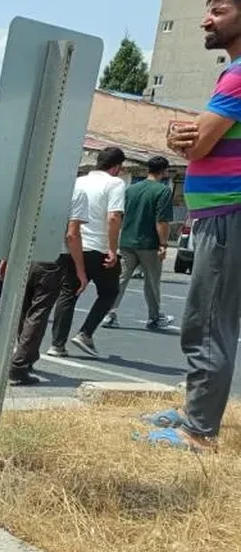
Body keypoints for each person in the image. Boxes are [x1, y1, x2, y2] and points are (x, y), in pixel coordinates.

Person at [158, 0, 241, 452]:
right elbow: (190, 138)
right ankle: (196, 413)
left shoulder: (238, 75)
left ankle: (198, 433)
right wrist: (181, 137)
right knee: (209, 318)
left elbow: (197, 144)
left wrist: (183, 139)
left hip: (227, 212)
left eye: (220, 10)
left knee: (207, 322)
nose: (206, 20)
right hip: (222, 213)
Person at [4, 183, 90, 385]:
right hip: (52, 258)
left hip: (25, 253)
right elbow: (72, 234)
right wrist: (80, 270)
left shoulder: (35, 185)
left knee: (25, 311)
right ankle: (19, 363)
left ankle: (27, 357)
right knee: (38, 313)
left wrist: (6, 256)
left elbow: (17, 222)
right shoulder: (75, 192)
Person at [50, 148, 126, 358]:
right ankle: (85, 333)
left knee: (68, 292)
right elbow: (113, 218)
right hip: (98, 247)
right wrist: (112, 248)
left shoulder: (78, 181)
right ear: (117, 167)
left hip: (72, 246)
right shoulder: (115, 183)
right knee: (110, 292)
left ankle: (57, 344)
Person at [104, 155, 175, 330]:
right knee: (151, 282)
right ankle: (154, 317)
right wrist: (163, 244)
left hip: (127, 240)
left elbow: (119, 214)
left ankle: (109, 313)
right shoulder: (163, 191)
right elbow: (162, 221)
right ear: (164, 171)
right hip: (149, 244)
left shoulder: (131, 190)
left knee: (121, 279)